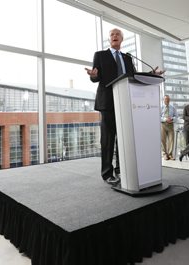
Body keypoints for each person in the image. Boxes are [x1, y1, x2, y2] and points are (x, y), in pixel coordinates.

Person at [85, 28, 136, 185]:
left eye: (117, 35)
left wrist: (151, 74)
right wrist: (94, 76)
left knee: (123, 138)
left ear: (122, 39)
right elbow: (96, 76)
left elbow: (133, 77)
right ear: (109, 40)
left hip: (125, 103)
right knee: (108, 139)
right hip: (107, 103)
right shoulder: (100, 55)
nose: (114, 36)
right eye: (112, 35)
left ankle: (122, 169)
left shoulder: (127, 58)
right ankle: (107, 173)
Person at [160, 95, 177, 160]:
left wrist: (172, 119)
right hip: (163, 125)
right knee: (163, 140)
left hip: (170, 125)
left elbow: (176, 116)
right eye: (165, 99)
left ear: (169, 100)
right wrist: (165, 119)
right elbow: (158, 116)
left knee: (171, 140)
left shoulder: (173, 107)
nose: (167, 100)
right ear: (163, 100)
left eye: (168, 99)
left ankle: (170, 155)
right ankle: (164, 154)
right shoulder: (161, 107)